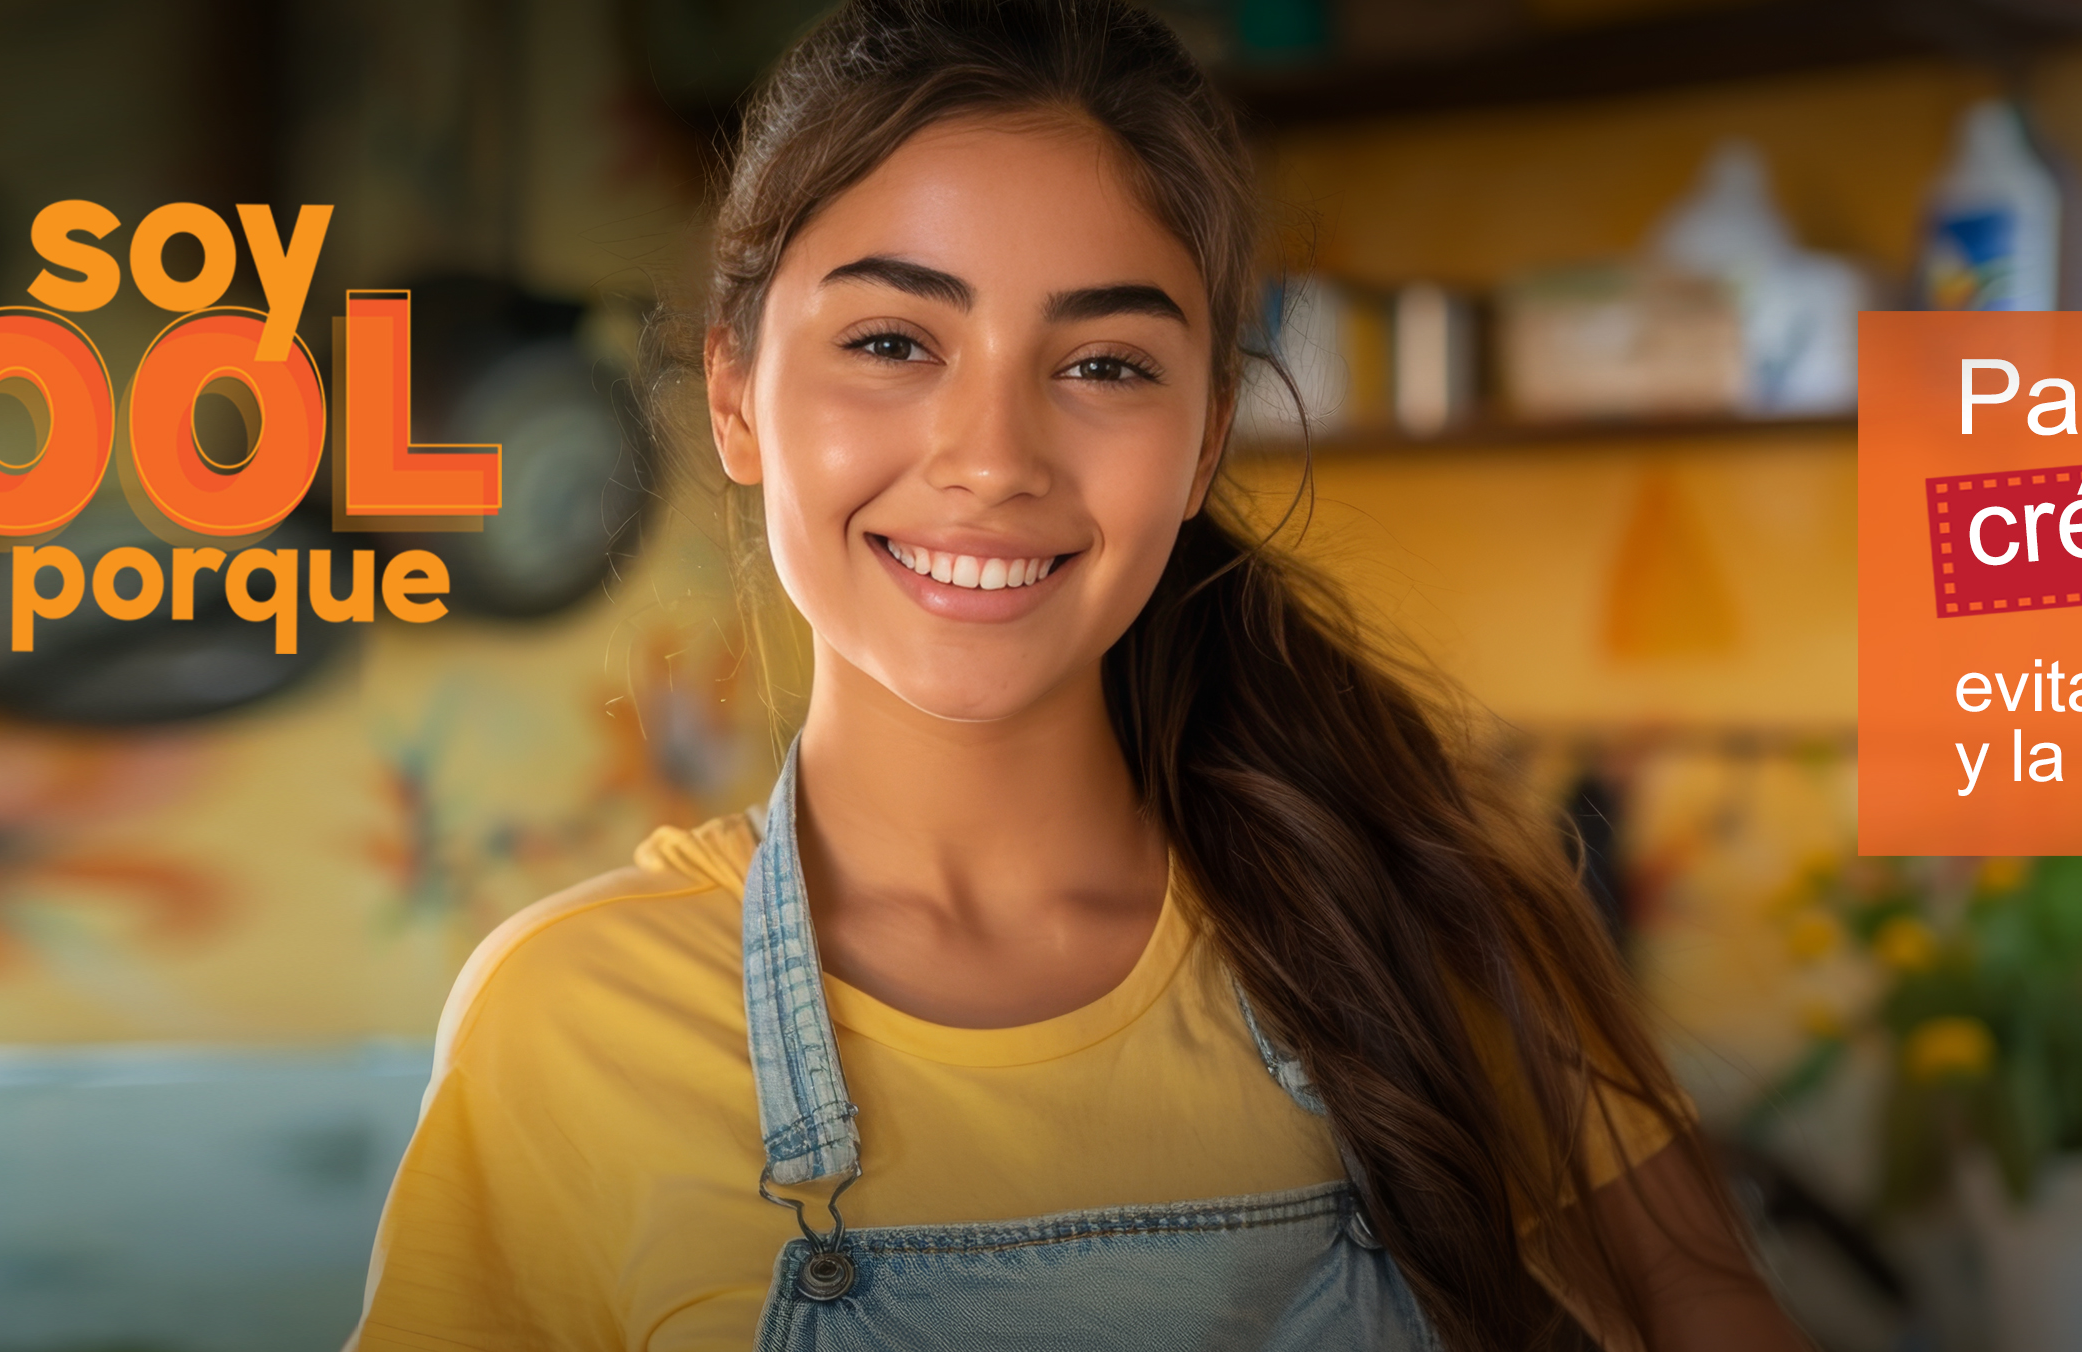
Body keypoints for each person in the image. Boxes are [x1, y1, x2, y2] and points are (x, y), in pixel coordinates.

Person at [349, 2, 1808, 1347]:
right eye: (891, 341)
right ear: (735, 392)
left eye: (1105, 363)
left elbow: (1697, 1298)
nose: (994, 459)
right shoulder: (568, 1020)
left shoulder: (1413, 923)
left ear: (1208, 438)